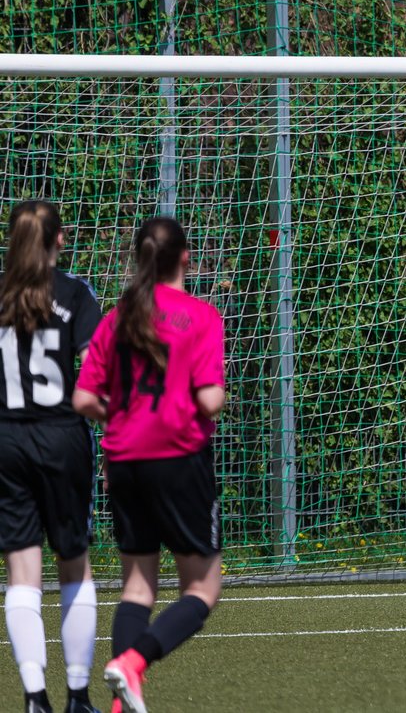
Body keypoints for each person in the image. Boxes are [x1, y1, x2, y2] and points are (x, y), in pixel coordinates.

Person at [72, 217, 226, 713]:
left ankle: (121, 705)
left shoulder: (117, 318)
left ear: (139, 259)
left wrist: (122, 413)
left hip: (124, 460)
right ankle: (135, 663)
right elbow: (209, 399)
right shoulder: (200, 316)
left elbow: (83, 398)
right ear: (185, 258)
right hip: (178, 458)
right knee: (203, 587)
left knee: (137, 585)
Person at [0, 202, 104, 713]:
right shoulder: (74, 293)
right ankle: (78, 697)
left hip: (6, 441)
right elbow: (96, 366)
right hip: (63, 437)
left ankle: (35, 697)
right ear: (58, 239)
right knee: (74, 566)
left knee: (22, 573)